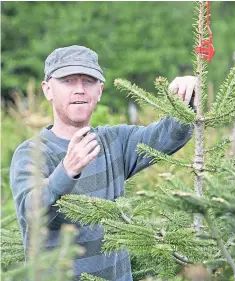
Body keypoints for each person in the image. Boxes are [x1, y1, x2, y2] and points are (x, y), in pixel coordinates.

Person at [10, 45, 198, 281]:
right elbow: (31, 212)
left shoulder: (115, 141)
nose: (79, 89)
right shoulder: (31, 153)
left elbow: (170, 135)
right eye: (68, 80)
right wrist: (67, 171)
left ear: (99, 91)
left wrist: (186, 96)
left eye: (88, 81)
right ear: (48, 90)